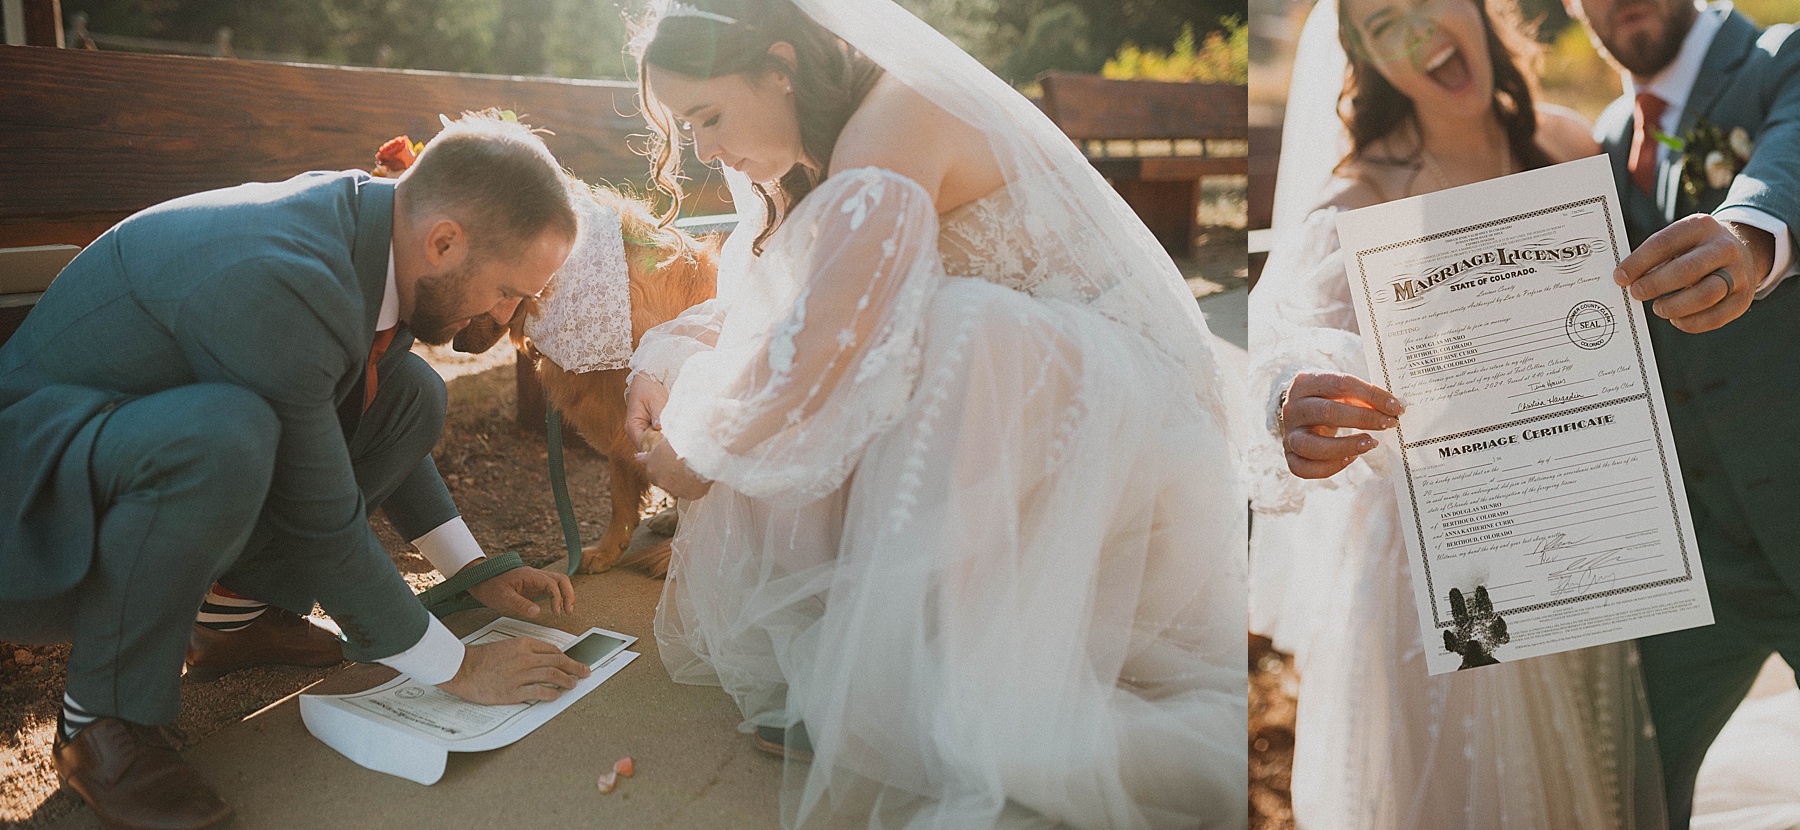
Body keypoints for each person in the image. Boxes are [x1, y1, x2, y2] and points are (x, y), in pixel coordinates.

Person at [619, 1, 1246, 827]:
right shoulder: (821, 150)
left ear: (780, 65)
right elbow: (782, 308)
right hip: (1034, 416)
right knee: (836, 363)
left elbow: (828, 340)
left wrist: (695, 456)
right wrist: (664, 359)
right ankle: (888, 656)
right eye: (686, 129)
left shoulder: (892, 127)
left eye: (707, 117)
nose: (703, 150)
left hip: (1128, 426)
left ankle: (926, 671)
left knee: (958, 333)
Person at [0, 113, 591, 830]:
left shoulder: (381, 238)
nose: (505, 316)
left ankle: (231, 620)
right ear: (444, 242)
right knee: (225, 436)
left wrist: (474, 571)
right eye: (507, 290)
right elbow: (323, 519)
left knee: (413, 393)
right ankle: (101, 723)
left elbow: (365, 404)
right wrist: (461, 671)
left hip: (128, 462)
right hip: (33, 507)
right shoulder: (286, 280)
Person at [1249, 0, 1670, 826]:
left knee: (1578, 781)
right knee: (1464, 789)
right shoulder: (1360, 195)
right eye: (1381, 24)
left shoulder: (1567, 143)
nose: (1415, 31)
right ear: (1366, 59)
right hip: (1446, 571)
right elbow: (1289, 339)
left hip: (1577, 538)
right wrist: (1289, 403)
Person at [1564, 0, 1800, 825]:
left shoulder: (1783, 58)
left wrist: (1748, 237)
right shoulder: (1598, 137)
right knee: (1626, 792)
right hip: (1690, 566)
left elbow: (1788, 161)